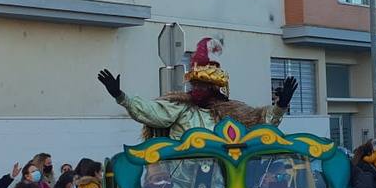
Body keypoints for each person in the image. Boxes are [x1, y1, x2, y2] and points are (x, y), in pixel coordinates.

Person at [97, 37, 295, 139]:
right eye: (195, 84)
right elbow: (150, 112)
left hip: (221, 182)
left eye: (203, 85)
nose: (198, 88)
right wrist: (120, 96)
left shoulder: (233, 113)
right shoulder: (179, 107)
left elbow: (261, 122)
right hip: (181, 182)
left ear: (214, 87)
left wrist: (281, 104)